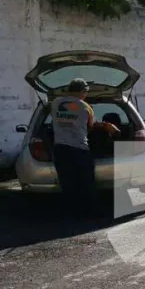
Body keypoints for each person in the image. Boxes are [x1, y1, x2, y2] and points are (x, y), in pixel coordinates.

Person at [50, 78, 119, 217]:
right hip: (79, 150)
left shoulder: (55, 103)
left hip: (60, 150)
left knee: (67, 184)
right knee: (86, 184)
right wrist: (107, 127)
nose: (85, 95)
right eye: (85, 93)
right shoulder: (85, 107)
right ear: (83, 91)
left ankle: (71, 214)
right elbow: (90, 127)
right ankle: (89, 214)